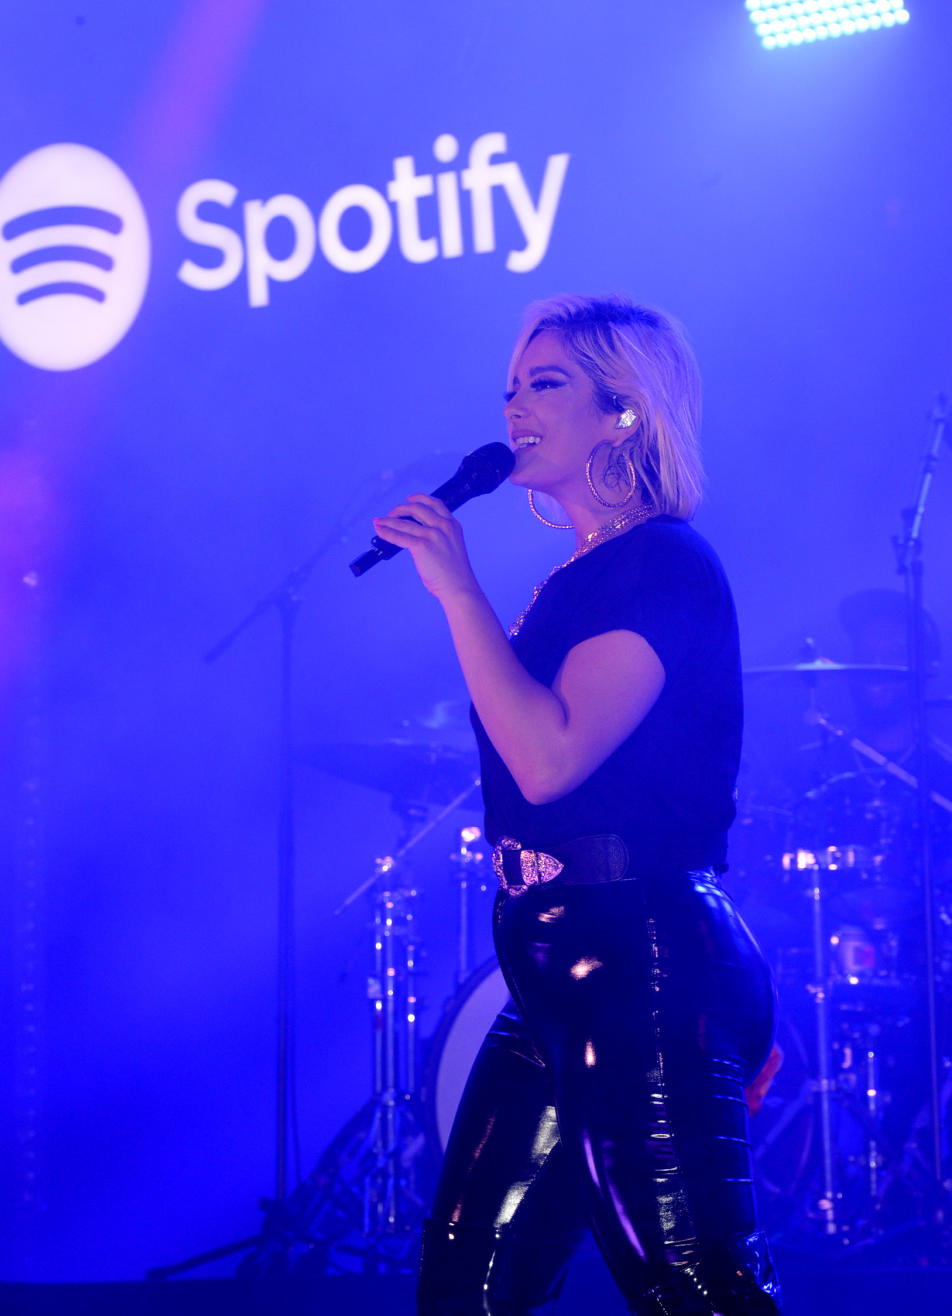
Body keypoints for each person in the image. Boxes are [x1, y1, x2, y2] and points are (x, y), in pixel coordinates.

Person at [373, 295, 782, 1314]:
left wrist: (457, 592)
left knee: (694, 1282)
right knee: (468, 1281)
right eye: (511, 385)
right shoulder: (582, 573)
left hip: (644, 954)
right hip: (562, 962)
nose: (515, 404)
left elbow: (551, 758)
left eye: (546, 382)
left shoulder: (661, 563)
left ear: (624, 410)